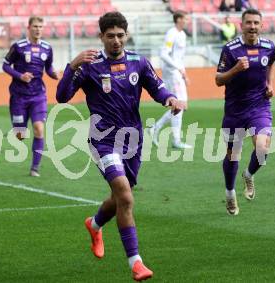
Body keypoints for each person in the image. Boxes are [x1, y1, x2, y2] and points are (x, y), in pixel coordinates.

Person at [56, 12, 184, 281]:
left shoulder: (139, 62)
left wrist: (170, 98)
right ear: (101, 37)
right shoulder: (90, 66)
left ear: (126, 36)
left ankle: (95, 223)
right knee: (125, 197)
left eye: (120, 35)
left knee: (119, 198)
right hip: (103, 142)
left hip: (133, 141)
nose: (116, 40)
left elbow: (157, 87)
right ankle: (136, 263)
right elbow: (62, 96)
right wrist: (72, 65)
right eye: (110, 36)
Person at [215, 9, 275, 215]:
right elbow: (218, 80)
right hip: (235, 110)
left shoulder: (268, 47)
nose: (252, 26)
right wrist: (235, 70)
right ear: (241, 25)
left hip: (260, 106)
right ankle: (230, 193)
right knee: (233, 156)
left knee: (263, 148)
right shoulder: (230, 49)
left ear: (261, 25)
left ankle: (249, 175)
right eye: (248, 22)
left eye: (256, 23)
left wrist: (269, 84)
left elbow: (272, 62)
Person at [2, 16, 58, 177]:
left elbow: (48, 67)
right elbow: (5, 65)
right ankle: (18, 129)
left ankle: (35, 168)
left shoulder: (47, 48)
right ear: (29, 28)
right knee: (20, 135)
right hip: (19, 95)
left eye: (40, 26)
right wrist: (20, 76)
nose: (38, 29)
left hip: (38, 95)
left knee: (39, 129)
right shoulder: (18, 47)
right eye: (35, 26)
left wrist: (53, 74)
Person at [149, 10, 192, 149]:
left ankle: (157, 128)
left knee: (182, 106)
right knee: (179, 104)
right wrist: (178, 69)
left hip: (178, 72)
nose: (187, 21)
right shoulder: (171, 33)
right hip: (171, 72)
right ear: (178, 19)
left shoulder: (182, 34)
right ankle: (175, 139)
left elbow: (179, 57)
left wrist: (184, 72)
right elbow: (164, 54)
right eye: (185, 18)